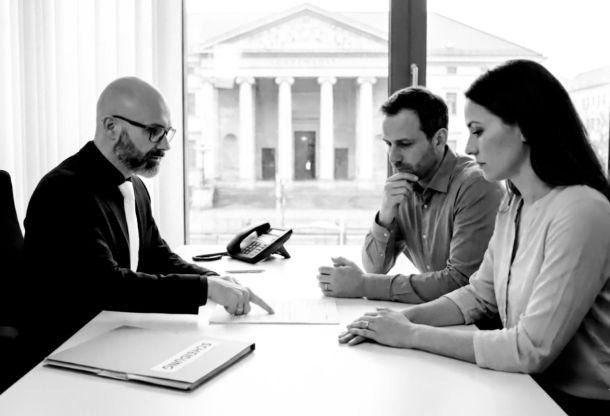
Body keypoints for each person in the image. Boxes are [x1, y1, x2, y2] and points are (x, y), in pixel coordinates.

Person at [341, 60, 610, 414]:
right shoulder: (515, 202)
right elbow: (479, 294)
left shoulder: (581, 209)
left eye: (478, 131)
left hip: (575, 402)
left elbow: (530, 349)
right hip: (527, 389)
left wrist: (410, 334)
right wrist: (402, 320)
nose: (468, 146)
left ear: (524, 127)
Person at [21, 77, 273, 370]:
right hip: (62, 353)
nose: (165, 145)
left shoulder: (135, 185)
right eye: (154, 132)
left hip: (112, 339)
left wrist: (215, 279)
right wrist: (205, 289)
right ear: (111, 127)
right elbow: (108, 286)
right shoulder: (64, 191)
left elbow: (156, 256)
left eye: (166, 132)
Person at [317, 87, 503, 306]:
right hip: (440, 315)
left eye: (404, 144)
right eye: (388, 144)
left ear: (439, 139)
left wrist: (363, 285)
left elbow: (461, 283)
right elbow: (375, 268)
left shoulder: (476, 185)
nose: (393, 157)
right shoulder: (406, 183)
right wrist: (385, 214)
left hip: (481, 321)